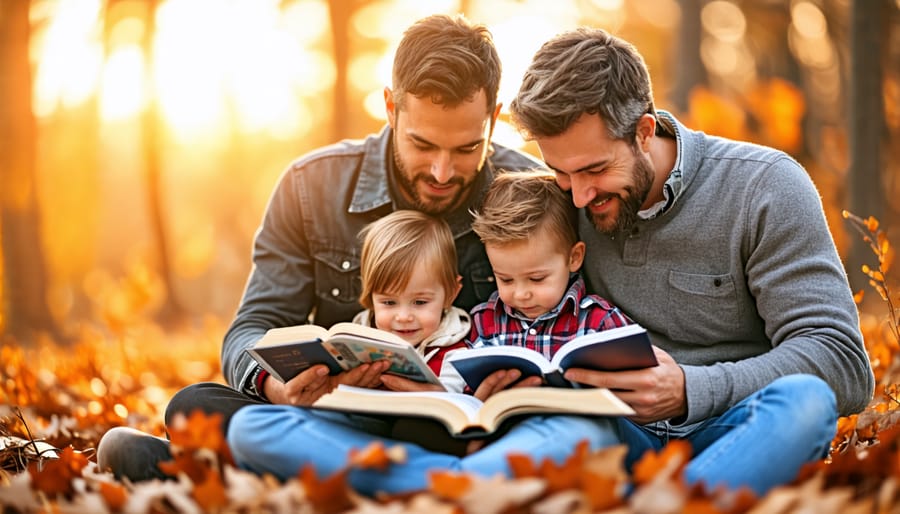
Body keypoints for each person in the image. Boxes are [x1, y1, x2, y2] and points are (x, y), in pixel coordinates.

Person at [96, 13, 541, 482]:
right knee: (193, 406)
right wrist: (279, 387)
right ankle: (395, 477)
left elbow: (576, 321)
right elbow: (254, 325)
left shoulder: (531, 196)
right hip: (331, 416)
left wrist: (519, 388)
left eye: (468, 149)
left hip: (458, 427)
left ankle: (269, 474)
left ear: (494, 119)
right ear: (390, 108)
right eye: (422, 144)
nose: (442, 172)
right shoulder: (311, 187)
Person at [506, 27, 875, 496]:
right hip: (615, 434)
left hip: (736, 429)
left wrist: (690, 390)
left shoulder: (764, 187)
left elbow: (840, 361)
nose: (579, 195)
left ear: (644, 131)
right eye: (561, 172)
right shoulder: (562, 204)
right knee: (553, 424)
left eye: (596, 170)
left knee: (805, 403)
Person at [225, 169, 633, 495]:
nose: (521, 293)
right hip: (465, 446)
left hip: (546, 436)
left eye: (538, 278)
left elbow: (630, 397)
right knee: (249, 427)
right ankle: (459, 489)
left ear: (574, 258)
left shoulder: (597, 318)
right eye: (504, 279)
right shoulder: (487, 320)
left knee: (584, 436)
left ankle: (426, 488)